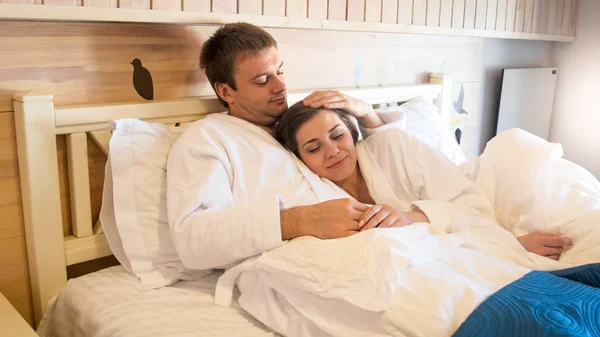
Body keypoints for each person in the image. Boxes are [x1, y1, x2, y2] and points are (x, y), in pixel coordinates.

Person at [166, 22, 428, 271]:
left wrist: (366, 113)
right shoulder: (207, 140)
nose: (281, 86)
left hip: (386, 244)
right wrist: (299, 221)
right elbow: (193, 240)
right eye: (262, 80)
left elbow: (393, 163)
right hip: (312, 266)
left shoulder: (301, 123)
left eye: (279, 71)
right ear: (225, 92)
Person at [275, 101, 573, 260]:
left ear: (352, 132)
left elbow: (472, 207)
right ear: (300, 159)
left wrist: (411, 217)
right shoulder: (313, 197)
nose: (333, 152)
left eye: (338, 135)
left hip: (475, 237)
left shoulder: (393, 146)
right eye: (314, 148)